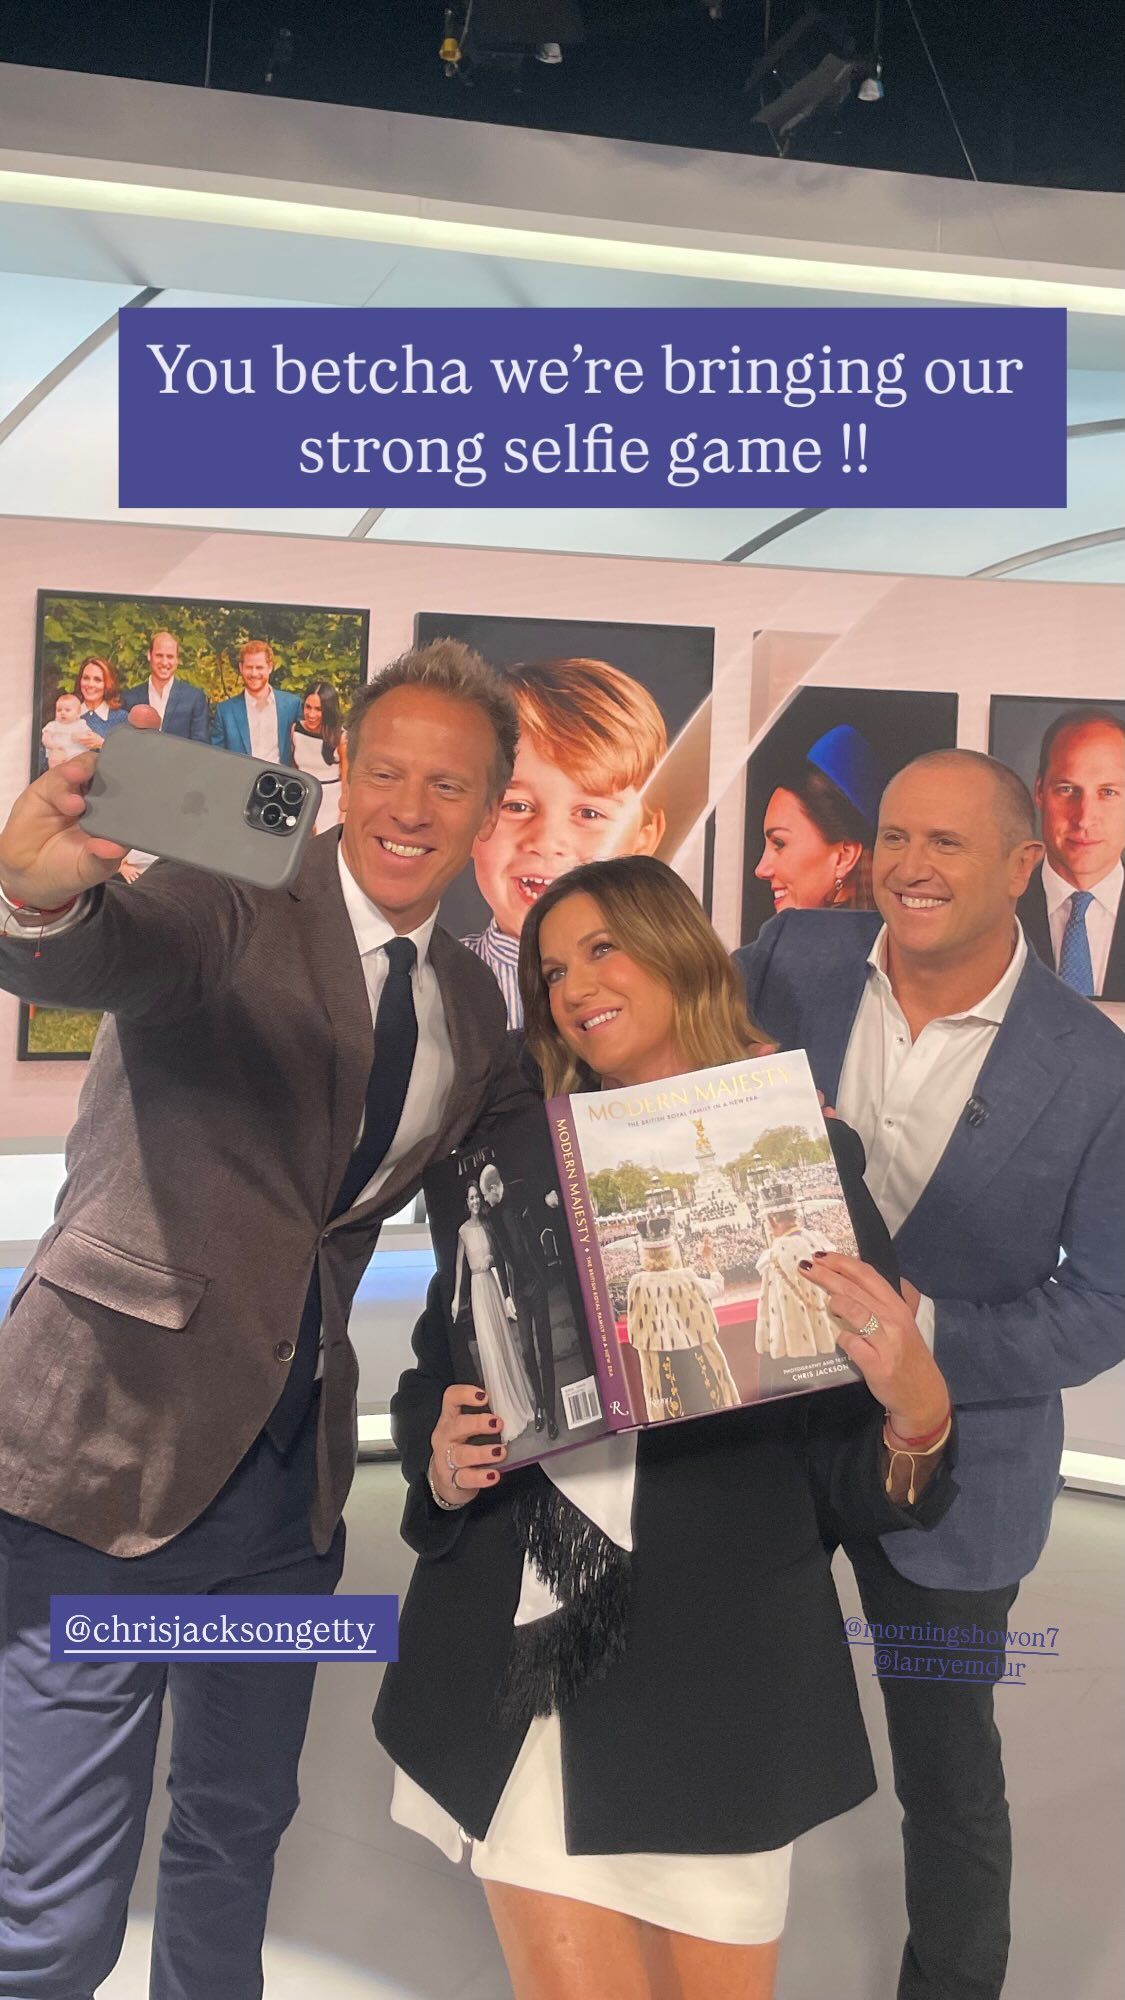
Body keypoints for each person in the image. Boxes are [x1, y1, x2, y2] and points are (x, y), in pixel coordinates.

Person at [0, 640, 532, 2000]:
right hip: (105, 1462)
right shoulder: (234, 882)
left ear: (489, 809)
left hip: (283, 1501)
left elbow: (514, 1184)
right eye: (387, 770)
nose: (411, 808)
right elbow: (121, 952)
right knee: (53, 1907)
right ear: (341, 766)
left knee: (234, 1833)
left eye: (450, 785)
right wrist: (38, 900)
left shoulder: (472, 999)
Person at [375, 855, 958, 2000]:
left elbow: (848, 1477)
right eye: (552, 970)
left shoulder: (808, 1161)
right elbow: (432, 1381)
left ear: (681, 950)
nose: (575, 987)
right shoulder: (508, 1159)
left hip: (714, 1683)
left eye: (603, 948)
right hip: (522, 1661)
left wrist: (919, 1411)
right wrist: (438, 1457)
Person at [735, 748, 1125, 2000]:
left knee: (949, 1773)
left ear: (1022, 864)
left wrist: (927, 1338)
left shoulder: (1095, 1067)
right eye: (897, 834)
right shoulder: (793, 959)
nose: (912, 865)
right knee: (715, 1711)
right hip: (759, 1432)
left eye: (948, 842)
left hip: (958, 1466)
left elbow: (1104, 1305)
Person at [464, 657, 668, 1026]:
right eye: (516, 806)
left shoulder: (685, 993)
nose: (546, 842)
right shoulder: (422, 985)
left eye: (589, 814)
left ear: (644, 840)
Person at [1017, 707, 1125, 999]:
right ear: (1039, 791)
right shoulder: (994, 913)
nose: (1084, 818)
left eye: (1108, 792)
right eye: (1067, 789)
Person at [754, 723, 883, 917]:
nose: (761, 870)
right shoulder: (886, 933)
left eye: (779, 844)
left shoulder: (791, 934)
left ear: (844, 857)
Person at [626, 1209, 740, 1422]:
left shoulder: (637, 1284)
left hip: (660, 1363)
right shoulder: (686, 1278)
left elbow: (634, 1332)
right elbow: (717, 1287)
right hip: (697, 1356)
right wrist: (709, 1260)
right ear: (671, 1250)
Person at [479, 1160, 560, 1440]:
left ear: (494, 1188)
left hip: (536, 1281)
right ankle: (540, 1406)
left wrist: (547, 1197)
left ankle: (551, 1412)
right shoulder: (491, 1218)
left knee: (545, 1347)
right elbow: (500, 1260)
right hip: (519, 1290)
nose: (485, 1200)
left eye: (485, 1194)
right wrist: (506, 1296)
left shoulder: (521, 1192)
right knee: (527, 1351)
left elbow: (540, 1199)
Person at [451, 1181, 537, 1443]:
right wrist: (456, 1297)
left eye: (477, 1197)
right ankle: (503, 1411)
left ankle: (518, 1400)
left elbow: (500, 1255)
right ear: (466, 1203)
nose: (475, 1201)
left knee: (502, 1340)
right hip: (477, 1289)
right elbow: (459, 1267)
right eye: (471, 1198)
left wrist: (493, 1262)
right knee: (489, 1346)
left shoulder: (489, 1226)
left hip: (491, 1284)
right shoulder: (462, 1231)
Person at [210, 639, 303, 765]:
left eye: (259, 667)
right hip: (241, 776)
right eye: (249, 667)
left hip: (280, 776)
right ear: (241, 668)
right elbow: (216, 758)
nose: (254, 674)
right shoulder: (225, 712)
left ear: (270, 667)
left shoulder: (292, 705)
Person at [122, 629, 209, 742]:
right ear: (149, 655)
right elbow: (125, 741)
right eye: (159, 655)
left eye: (170, 656)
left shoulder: (194, 698)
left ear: (177, 659)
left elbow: (200, 745)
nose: (164, 662)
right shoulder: (129, 698)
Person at [290, 680, 347, 833]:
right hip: (303, 801)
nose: (311, 714)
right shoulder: (295, 730)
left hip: (331, 806)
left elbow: (347, 782)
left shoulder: (340, 738)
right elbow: (293, 769)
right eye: (308, 707)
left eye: (318, 709)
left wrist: (342, 819)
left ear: (328, 711)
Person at [74, 654, 129, 741]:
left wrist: (102, 744)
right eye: (86, 678)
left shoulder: (121, 719)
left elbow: (129, 749)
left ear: (108, 684)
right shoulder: (65, 712)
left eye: (97, 680)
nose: (90, 684)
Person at [41, 690, 101, 768]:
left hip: (78, 755)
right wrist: (53, 745)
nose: (62, 713)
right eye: (59, 710)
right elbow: (45, 738)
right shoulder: (53, 725)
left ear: (78, 713)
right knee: (55, 756)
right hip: (59, 752)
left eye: (67, 710)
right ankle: (56, 772)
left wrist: (80, 736)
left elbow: (89, 736)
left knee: (86, 760)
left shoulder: (81, 724)